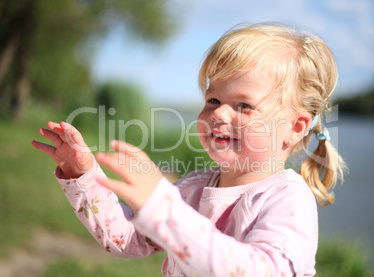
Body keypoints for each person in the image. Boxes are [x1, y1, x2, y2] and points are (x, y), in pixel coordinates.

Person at [32, 23, 346, 276]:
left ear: (294, 128)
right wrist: (83, 175)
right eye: (213, 100)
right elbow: (127, 239)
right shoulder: (195, 187)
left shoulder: (286, 199)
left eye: (243, 105)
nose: (220, 114)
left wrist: (165, 209)